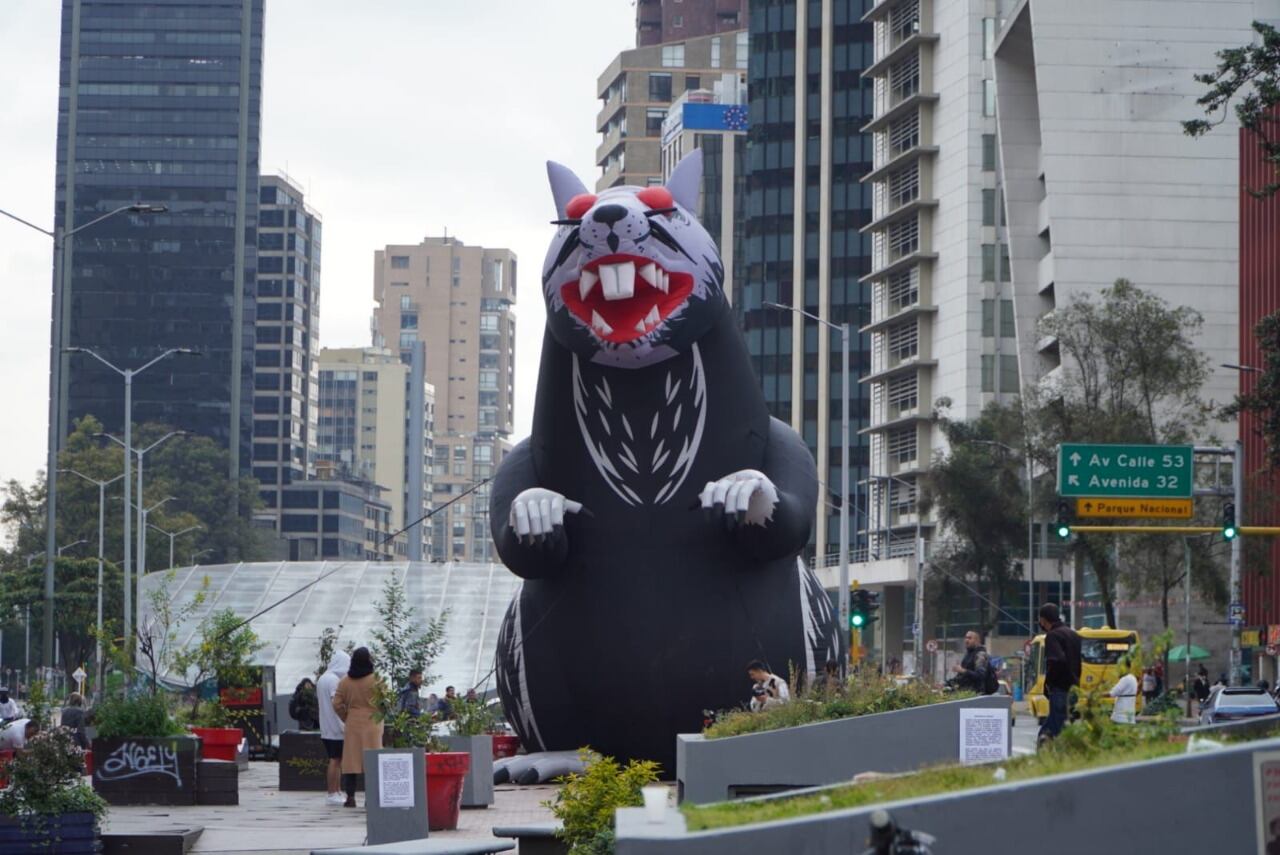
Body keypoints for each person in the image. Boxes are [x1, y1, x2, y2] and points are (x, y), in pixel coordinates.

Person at [333, 647, 383, 808]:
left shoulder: (345, 681)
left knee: (351, 761)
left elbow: (336, 703)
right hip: (372, 722)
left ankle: (351, 797)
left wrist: (346, 716)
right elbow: (386, 701)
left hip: (353, 723)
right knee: (372, 761)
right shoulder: (377, 680)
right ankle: (371, 798)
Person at [1037, 603, 1081, 745]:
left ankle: (1045, 756)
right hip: (1074, 689)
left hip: (1059, 689)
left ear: (1043, 620)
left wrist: (1048, 683)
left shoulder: (1052, 636)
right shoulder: (1073, 634)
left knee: (1052, 729)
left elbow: (1056, 661)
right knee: (1065, 726)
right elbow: (1078, 663)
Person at [317, 650, 350, 806]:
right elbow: (335, 703)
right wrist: (344, 723)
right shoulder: (333, 680)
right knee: (335, 761)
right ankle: (333, 792)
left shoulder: (323, 678)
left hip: (326, 727)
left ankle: (335, 791)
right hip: (336, 729)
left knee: (334, 760)